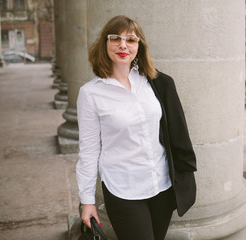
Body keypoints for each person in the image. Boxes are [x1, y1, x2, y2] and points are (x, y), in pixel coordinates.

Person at [76, 15, 197, 240]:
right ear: (105, 44)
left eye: (131, 40)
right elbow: (89, 150)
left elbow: (175, 132)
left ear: (139, 46)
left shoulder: (156, 82)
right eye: (116, 39)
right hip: (123, 189)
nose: (123, 45)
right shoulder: (91, 93)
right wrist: (87, 200)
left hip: (161, 185)